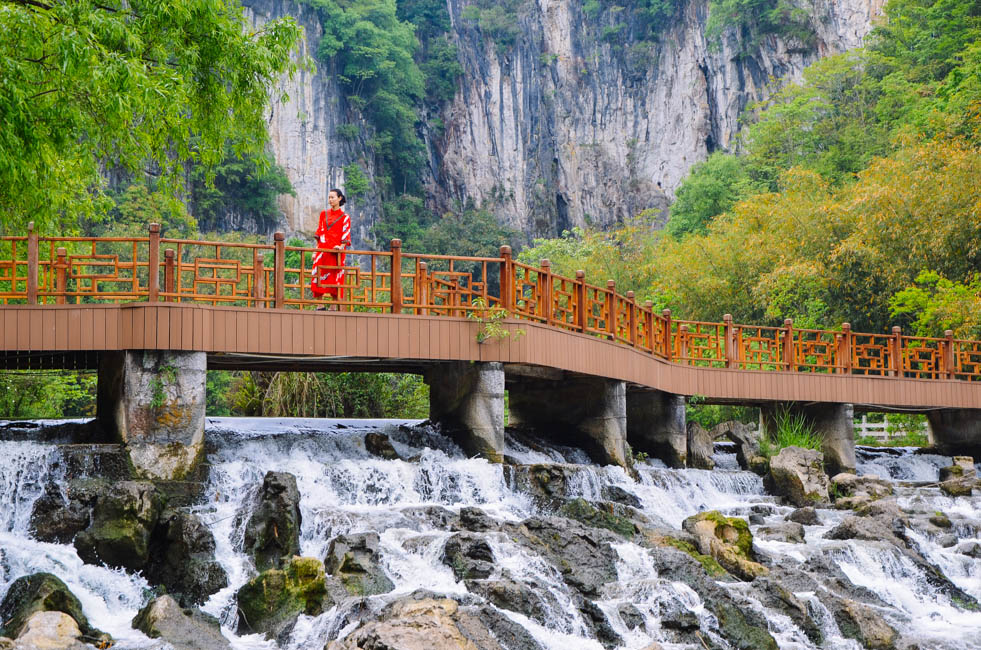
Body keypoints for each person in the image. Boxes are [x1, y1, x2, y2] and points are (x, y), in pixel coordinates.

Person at [310, 189, 352, 309]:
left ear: (340, 198)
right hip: (323, 250)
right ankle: (320, 304)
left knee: (335, 277)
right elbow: (320, 232)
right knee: (318, 274)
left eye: (333, 197)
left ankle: (333, 306)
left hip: (336, 252)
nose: (330, 200)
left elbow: (346, 234)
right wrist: (316, 250)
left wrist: (341, 247)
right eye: (329, 197)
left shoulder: (345, 217)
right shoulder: (324, 214)